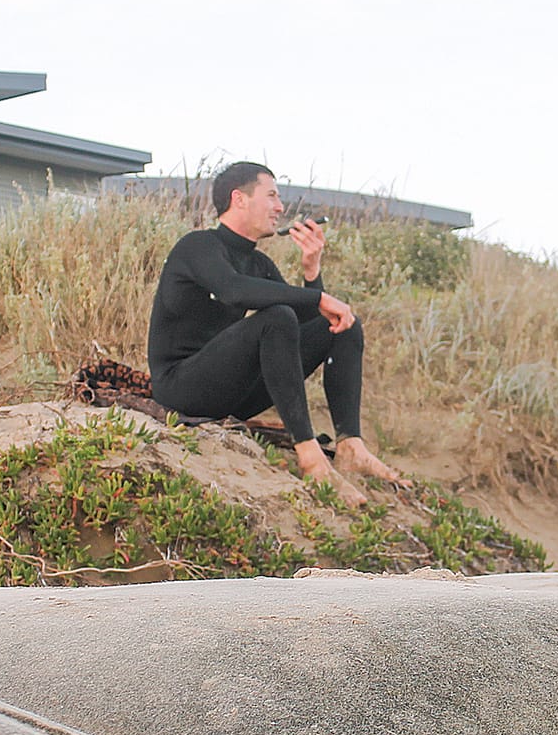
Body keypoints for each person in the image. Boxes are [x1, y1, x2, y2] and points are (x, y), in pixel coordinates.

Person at [148, 161, 408, 505]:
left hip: (232, 396)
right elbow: (233, 289)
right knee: (278, 317)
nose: (280, 207)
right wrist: (318, 297)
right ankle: (310, 456)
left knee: (342, 326)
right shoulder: (198, 246)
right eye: (271, 195)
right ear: (239, 199)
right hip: (181, 388)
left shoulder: (260, 265)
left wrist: (312, 273)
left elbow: (302, 326)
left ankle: (351, 446)